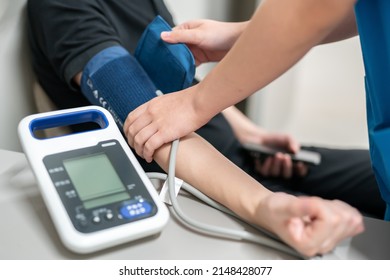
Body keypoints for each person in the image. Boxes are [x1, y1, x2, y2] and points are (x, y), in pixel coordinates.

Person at [27, 0, 367, 256]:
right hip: (196, 186)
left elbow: (186, 85)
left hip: (241, 155)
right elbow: (151, 126)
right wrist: (263, 205)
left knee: (375, 176)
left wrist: (249, 133)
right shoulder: (62, 8)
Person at [125, 0, 390, 220]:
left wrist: (195, 103)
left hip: (232, 166)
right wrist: (248, 133)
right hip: (222, 169)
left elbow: (318, 6)